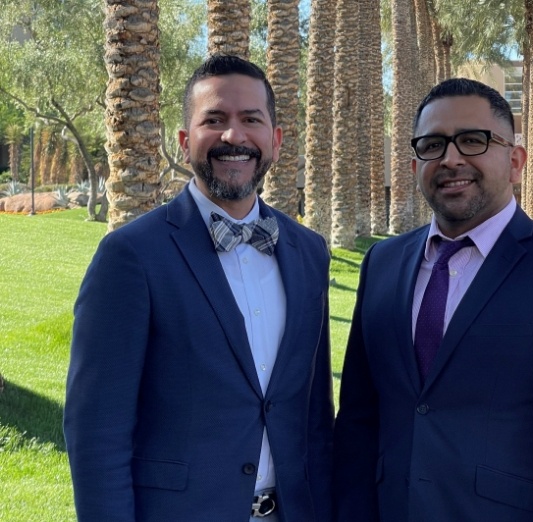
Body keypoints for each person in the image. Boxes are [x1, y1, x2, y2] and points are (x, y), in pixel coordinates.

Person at [332, 78, 533, 522]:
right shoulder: (383, 263)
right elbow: (358, 418)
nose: (451, 158)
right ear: (415, 162)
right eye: (433, 144)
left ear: (515, 161)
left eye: (473, 141)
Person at [64, 55, 334, 522]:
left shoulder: (309, 252)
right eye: (215, 120)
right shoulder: (131, 256)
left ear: (276, 140)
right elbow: (97, 431)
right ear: (186, 140)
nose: (234, 136)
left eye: (252, 120)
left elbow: (314, 412)